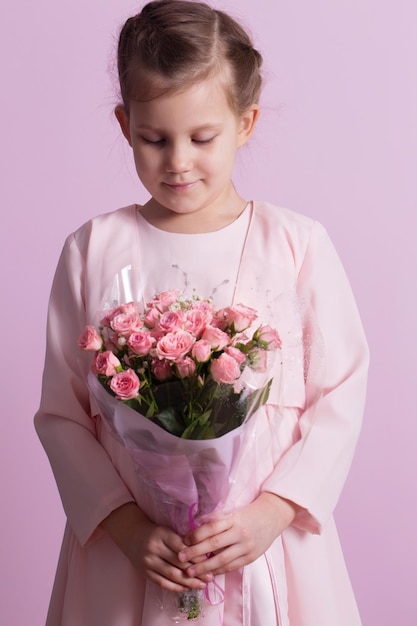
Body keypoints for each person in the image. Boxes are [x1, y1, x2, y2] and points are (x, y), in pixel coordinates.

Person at [34, 1, 369, 625]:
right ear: (123, 122)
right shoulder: (92, 250)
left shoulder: (296, 245)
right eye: (153, 139)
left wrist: (275, 511)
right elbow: (61, 413)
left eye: (202, 137)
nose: (178, 161)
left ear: (246, 122)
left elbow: (339, 392)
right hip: (133, 554)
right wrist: (127, 527)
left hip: (266, 548)